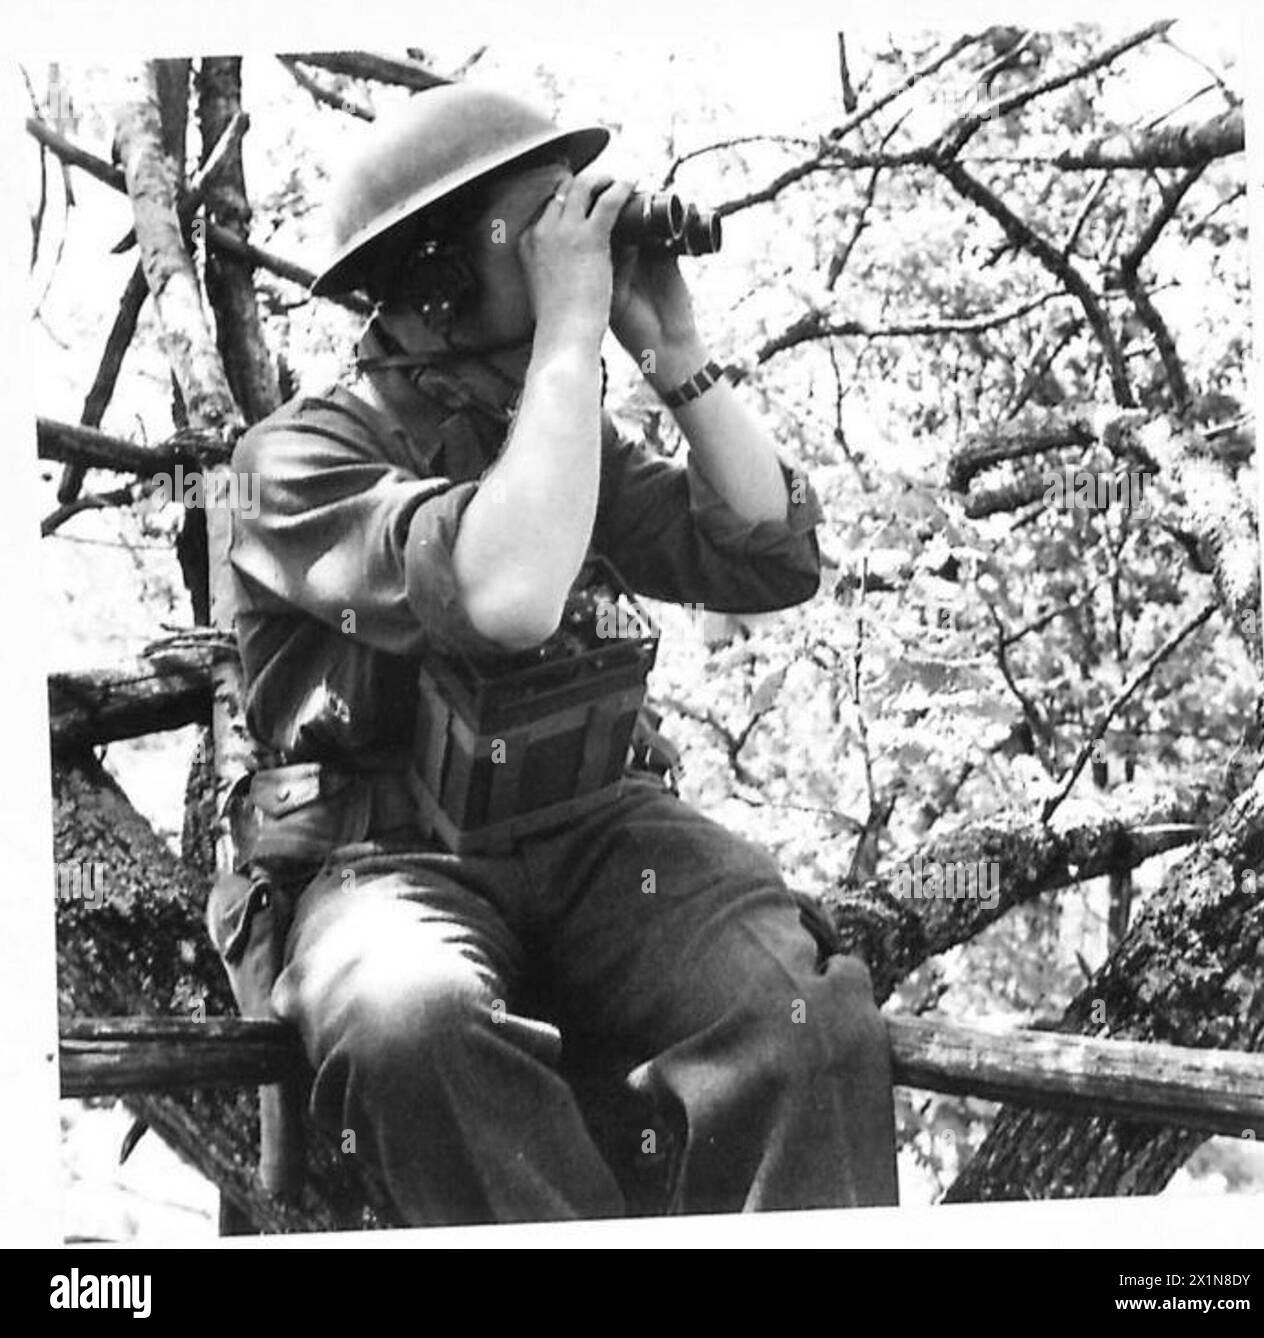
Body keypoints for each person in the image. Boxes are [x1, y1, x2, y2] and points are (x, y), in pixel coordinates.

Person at [224, 83, 899, 1225]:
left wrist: (672, 350)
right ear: (435, 271)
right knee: (409, 1023)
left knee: (799, 1006)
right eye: (540, 228)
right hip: (386, 857)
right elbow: (505, 596)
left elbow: (764, 558)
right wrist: (572, 336)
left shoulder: (549, 429)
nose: (569, 248)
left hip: (593, 831)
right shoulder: (291, 460)